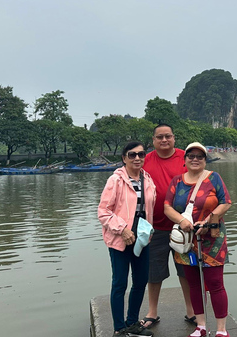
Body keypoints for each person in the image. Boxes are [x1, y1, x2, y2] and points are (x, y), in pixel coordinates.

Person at [164, 142, 232, 337]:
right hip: (186, 240)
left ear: (205, 159)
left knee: (216, 283)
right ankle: (200, 325)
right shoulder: (177, 181)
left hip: (212, 238)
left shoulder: (214, 178)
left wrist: (208, 221)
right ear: (184, 159)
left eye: (199, 156)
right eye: (191, 156)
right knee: (194, 283)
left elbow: (225, 202)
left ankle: (221, 329)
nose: (195, 159)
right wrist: (182, 221)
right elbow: (167, 207)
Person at [98, 141, 157, 336]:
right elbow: (103, 211)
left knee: (140, 281)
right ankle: (119, 328)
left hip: (141, 239)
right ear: (124, 158)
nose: (137, 158)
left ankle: (132, 323)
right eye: (132, 155)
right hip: (120, 239)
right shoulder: (115, 180)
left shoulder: (147, 180)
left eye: (141, 154)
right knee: (120, 283)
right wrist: (122, 229)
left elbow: (149, 209)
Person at [141, 124, 195, 329]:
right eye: (160, 137)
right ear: (153, 140)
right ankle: (152, 312)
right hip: (154, 227)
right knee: (153, 272)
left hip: (183, 227)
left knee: (186, 270)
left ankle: (191, 310)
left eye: (168, 136)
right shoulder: (144, 160)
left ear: (174, 138)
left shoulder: (186, 158)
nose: (164, 140)